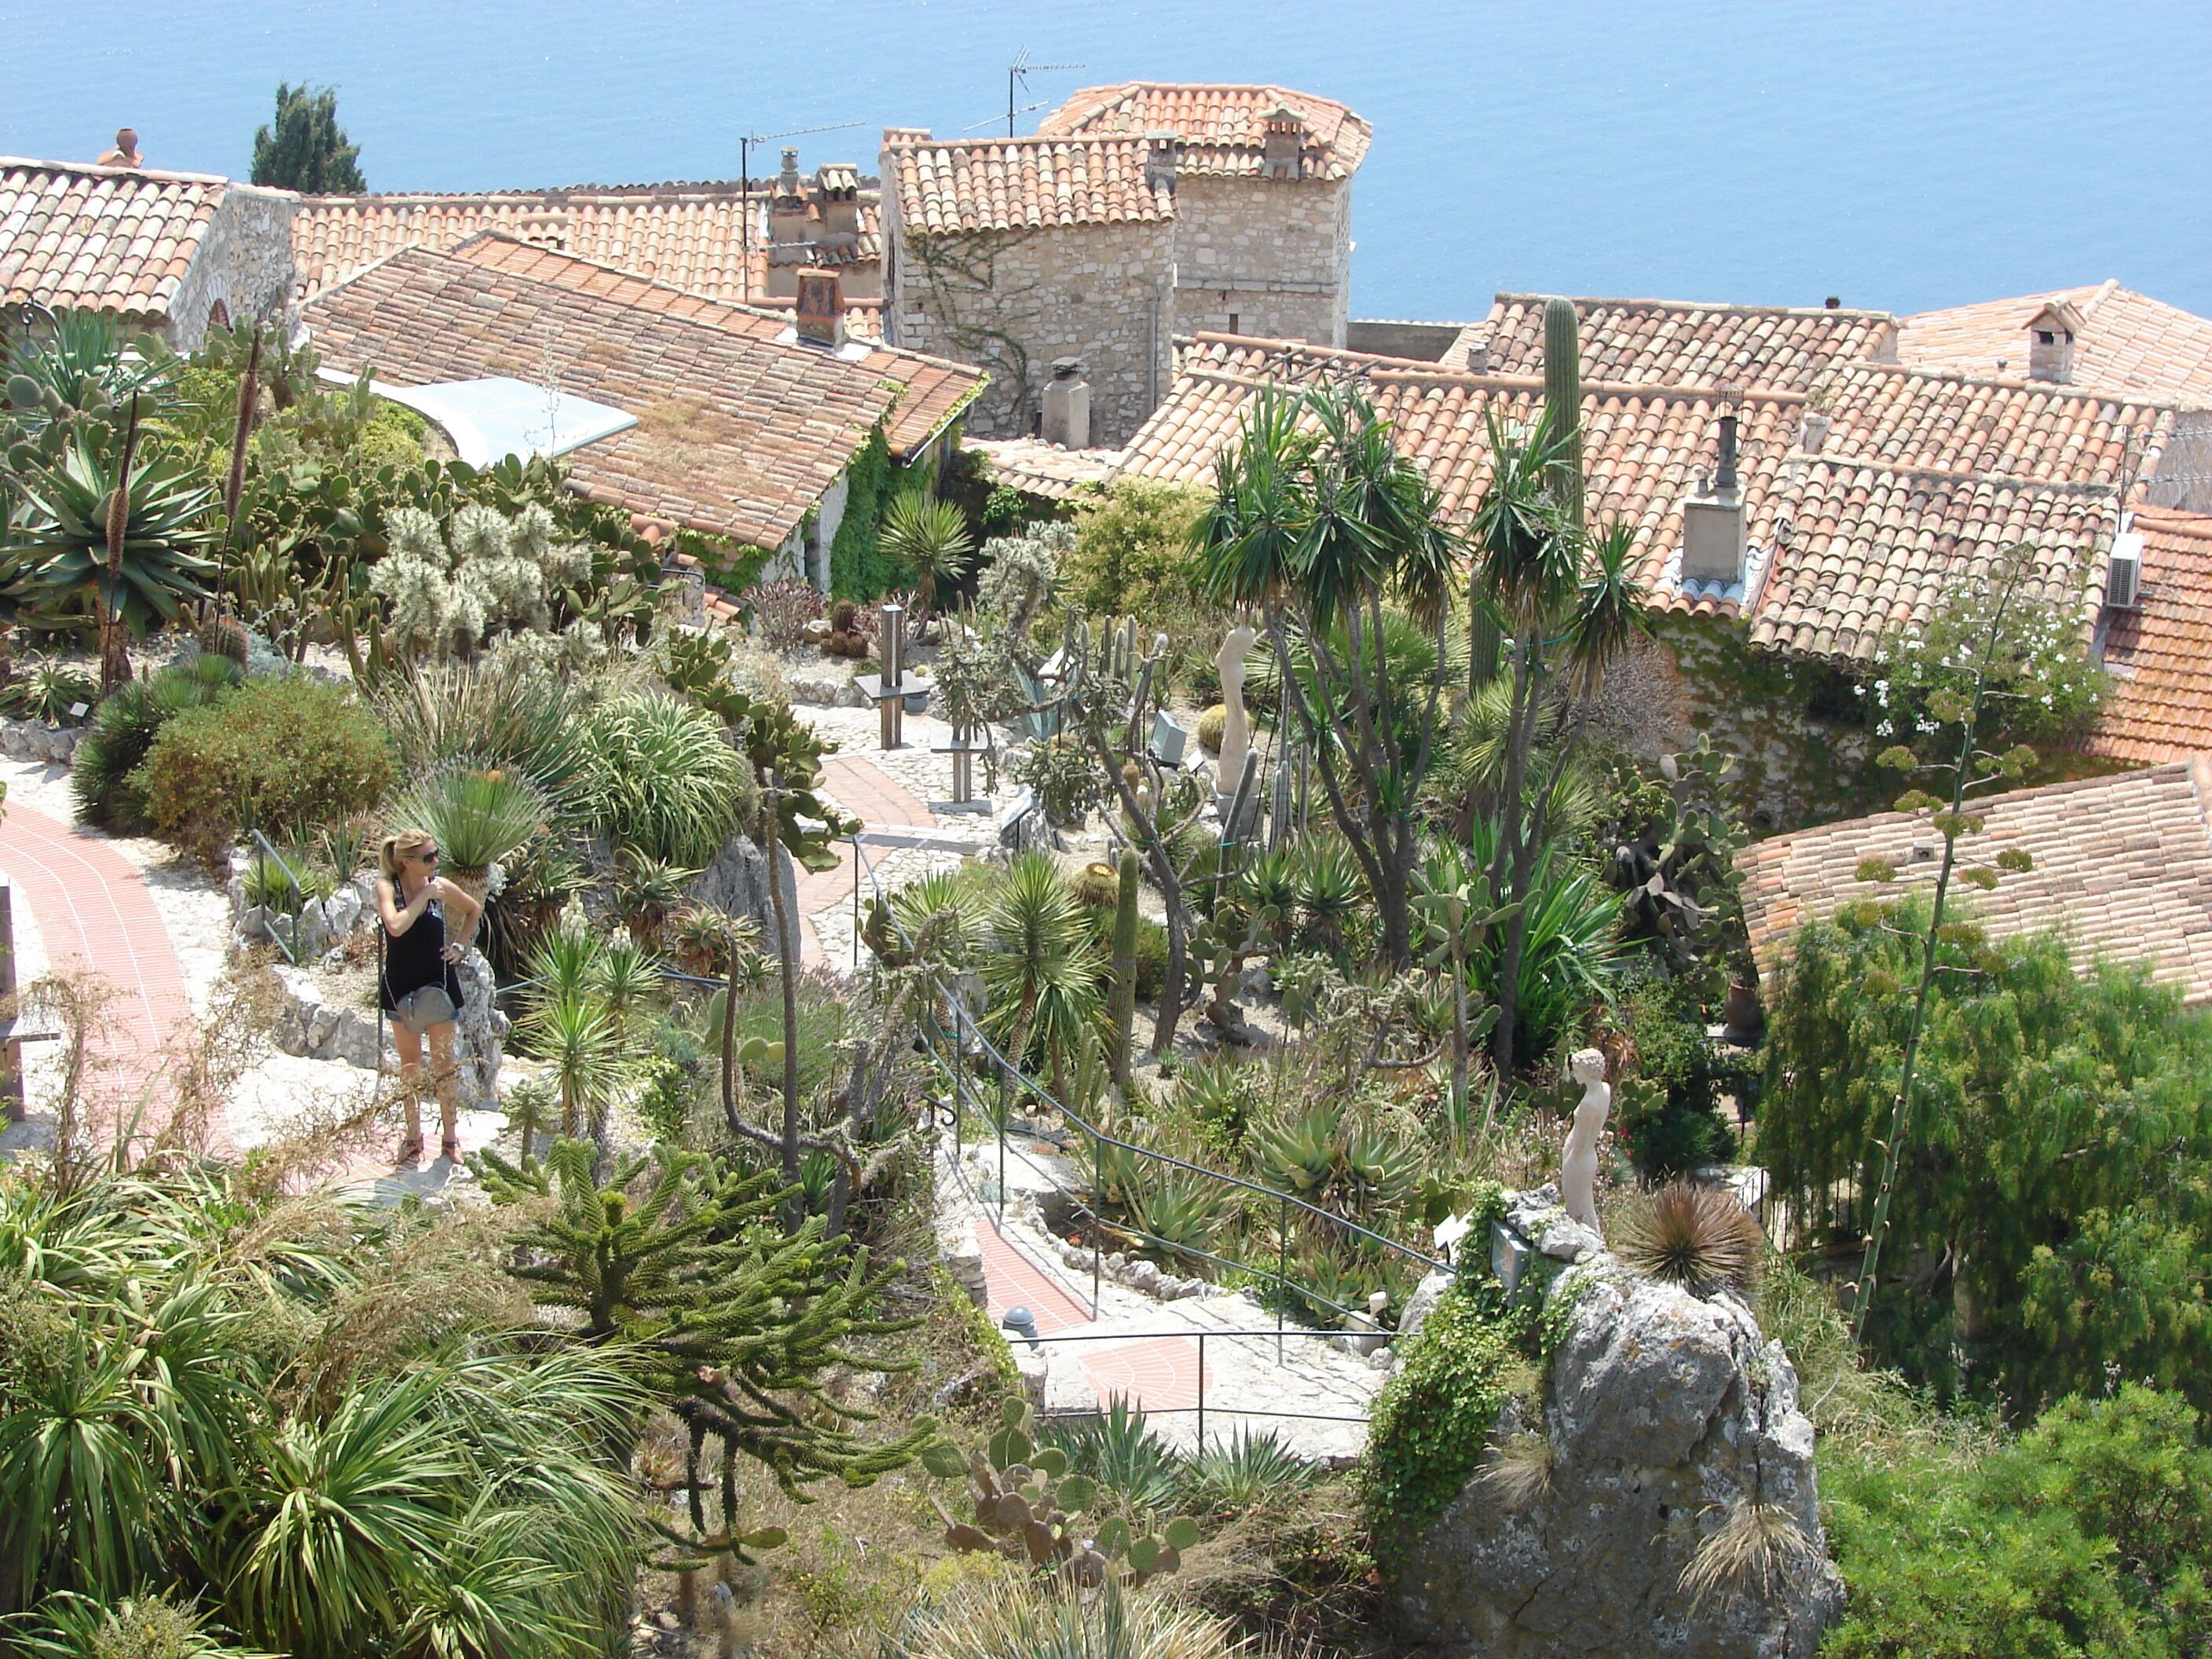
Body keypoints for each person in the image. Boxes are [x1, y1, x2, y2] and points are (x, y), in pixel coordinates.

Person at [375, 829, 481, 1165]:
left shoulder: (441, 887)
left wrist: (459, 946)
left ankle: (450, 1138)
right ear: (407, 862)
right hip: (401, 987)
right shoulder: (388, 888)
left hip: (438, 986)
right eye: (428, 857)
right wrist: (424, 897)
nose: (435, 862)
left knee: (444, 1066)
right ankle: (413, 1137)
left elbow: (473, 909)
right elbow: (395, 926)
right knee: (410, 1067)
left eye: (437, 855)